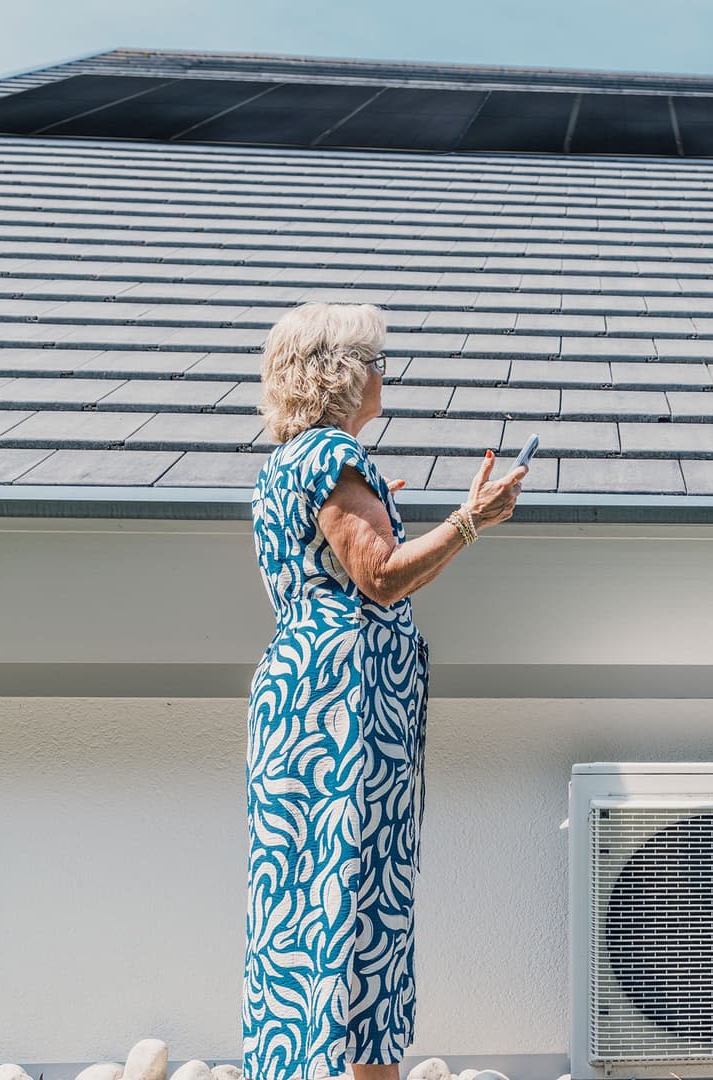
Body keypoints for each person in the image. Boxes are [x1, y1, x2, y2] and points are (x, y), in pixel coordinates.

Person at [241, 302, 526, 1080]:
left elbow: (336, 561)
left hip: (304, 704)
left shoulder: (287, 467)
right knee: (358, 898)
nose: (383, 375)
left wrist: (379, 506)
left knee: (303, 902)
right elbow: (381, 579)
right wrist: (472, 520)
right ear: (338, 375)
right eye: (375, 362)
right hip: (344, 713)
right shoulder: (331, 458)